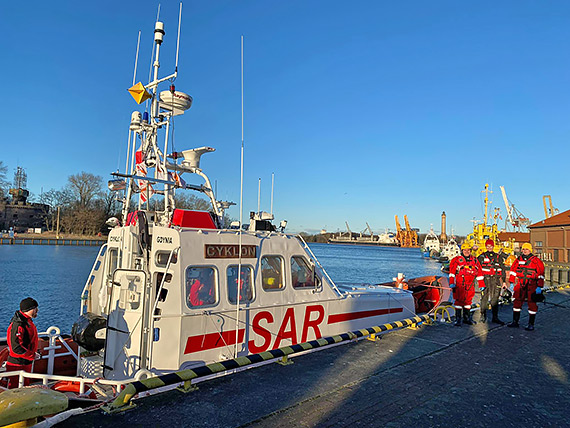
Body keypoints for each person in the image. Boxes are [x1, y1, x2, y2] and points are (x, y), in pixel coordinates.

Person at [507, 243, 545, 331]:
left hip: (532, 284)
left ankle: (531, 324)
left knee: (532, 303)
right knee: (517, 302)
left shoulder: (536, 261)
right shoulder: (518, 260)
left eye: (526, 249)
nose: (525, 251)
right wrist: (511, 282)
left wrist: (540, 286)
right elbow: (513, 271)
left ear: (530, 250)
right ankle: (515, 322)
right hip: (520, 284)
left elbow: (541, 274)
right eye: (523, 249)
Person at [6, 298, 40, 388]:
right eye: (35, 308)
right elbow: (16, 348)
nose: (37, 310)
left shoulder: (26, 321)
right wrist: (32, 355)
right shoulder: (19, 325)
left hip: (24, 362)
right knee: (17, 390)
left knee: (23, 387)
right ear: (29, 310)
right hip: (17, 364)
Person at [449, 242, 485, 326]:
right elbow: (452, 272)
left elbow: (479, 272)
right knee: (458, 301)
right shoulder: (456, 260)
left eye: (468, 250)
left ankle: (467, 318)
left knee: (468, 301)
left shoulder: (475, 260)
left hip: (470, 285)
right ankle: (458, 319)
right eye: (465, 250)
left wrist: (481, 284)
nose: (467, 251)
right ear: (462, 251)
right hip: (460, 285)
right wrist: (451, 282)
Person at [477, 239, 507, 324]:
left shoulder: (498, 257)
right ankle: (483, 316)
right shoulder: (481, 257)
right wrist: (480, 282)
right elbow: (477, 269)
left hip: (496, 280)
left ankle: (495, 317)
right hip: (485, 280)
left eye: (491, 246)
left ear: (493, 247)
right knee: (484, 299)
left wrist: (504, 282)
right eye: (488, 246)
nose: (489, 247)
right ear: (486, 247)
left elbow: (503, 270)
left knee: (495, 299)